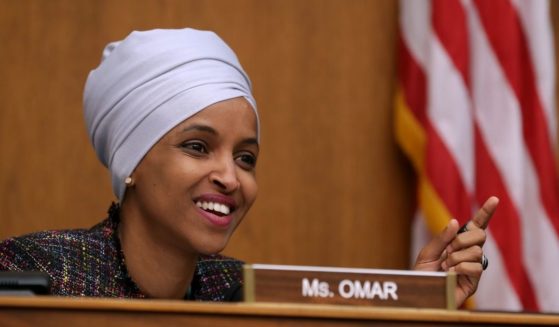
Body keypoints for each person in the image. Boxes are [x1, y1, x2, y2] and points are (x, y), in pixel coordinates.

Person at [0, 28, 497, 306]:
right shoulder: (36, 272)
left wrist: (416, 300)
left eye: (246, 158)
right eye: (197, 147)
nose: (231, 177)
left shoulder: (242, 292)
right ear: (132, 161)